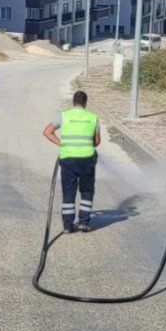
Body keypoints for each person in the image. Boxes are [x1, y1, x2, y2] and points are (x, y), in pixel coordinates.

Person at [43, 91, 101, 233]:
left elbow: (47, 132)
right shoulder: (93, 118)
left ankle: (68, 226)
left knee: (69, 192)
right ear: (85, 103)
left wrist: (62, 143)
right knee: (87, 190)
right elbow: (97, 141)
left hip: (68, 159)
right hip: (87, 159)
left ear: (73, 102)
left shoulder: (63, 116)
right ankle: (84, 223)